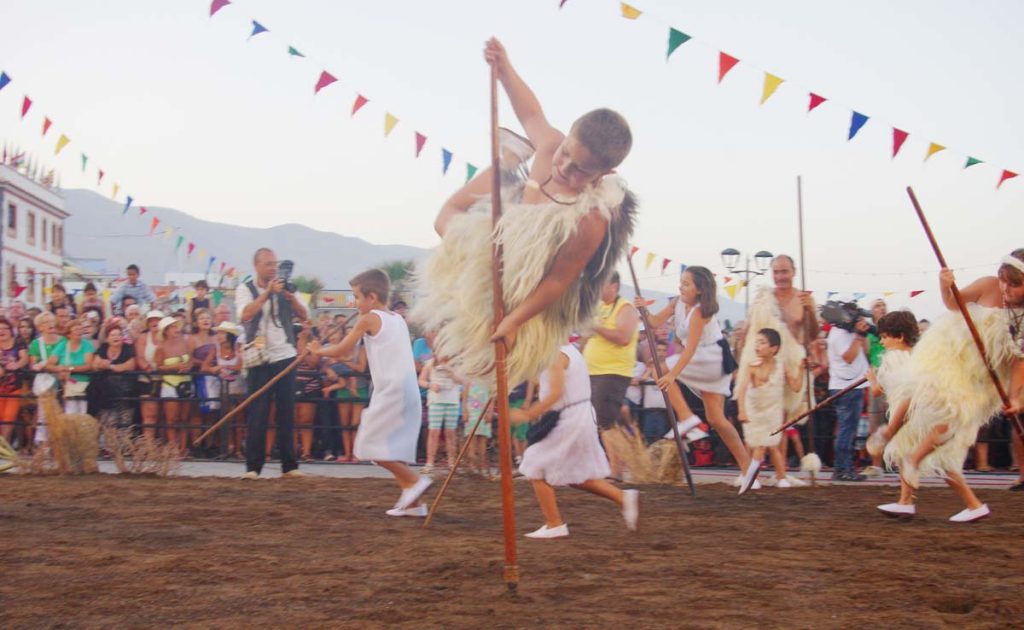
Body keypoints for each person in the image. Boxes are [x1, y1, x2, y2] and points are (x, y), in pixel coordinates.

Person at [415, 37, 636, 389]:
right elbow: (531, 113)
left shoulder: (591, 218)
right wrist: (503, 70)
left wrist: (515, 321)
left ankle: (510, 164)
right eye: (565, 154)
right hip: (508, 227)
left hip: (529, 272)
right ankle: (508, 162)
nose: (565, 168)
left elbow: (557, 281)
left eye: (581, 170)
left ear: (603, 176)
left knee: (491, 353)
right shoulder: (550, 147)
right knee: (445, 217)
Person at [882, 254, 1024, 521]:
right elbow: (952, 303)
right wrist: (944, 285)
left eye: (1014, 285)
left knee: (946, 427)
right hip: (951, 359)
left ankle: (924, 478)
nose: (1006, 289)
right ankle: (907, 499)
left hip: (978, 383)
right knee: (917, 426)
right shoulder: (988, 285)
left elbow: (1018, 362)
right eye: (1004, 281)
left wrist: (1015, 397)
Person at [310, 269, 430, 516]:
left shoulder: (369, 318)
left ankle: (415, 482)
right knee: (392, 447)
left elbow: (344, 349)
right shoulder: (397, 318)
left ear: (372, 297)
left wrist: (318, 350)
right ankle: (413, 504)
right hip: (407, 389)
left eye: (356, 297)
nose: (354, 303)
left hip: (392, 390)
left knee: (368, 445)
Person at [638, 267, 757, 494]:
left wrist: (672, 374)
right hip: (705, 359)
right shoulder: (676, 304)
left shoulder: (702, 312)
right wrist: (644, 309)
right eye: (681, 282)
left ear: (700, 289)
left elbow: (690, 349)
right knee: (716, 418)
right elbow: (653, 323)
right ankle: (748, 467)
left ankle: (687, 418)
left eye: (686, 284)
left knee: (659, 371)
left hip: (711, 357)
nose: (680, 287)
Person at [511, 342, 639, 539]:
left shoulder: (556, 354)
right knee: (574, 473)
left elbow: (555, 393)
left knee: (535, 465)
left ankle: (554, 524)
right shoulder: (567, 351)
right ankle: (623, 498)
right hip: (576, 415)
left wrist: (528, 415)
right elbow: (543, 382)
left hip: (569, 418)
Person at [236, 248, 309, 479]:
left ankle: (289, 465)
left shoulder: (285, 288)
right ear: (256, 266)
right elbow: (245, 315)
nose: (272, 268)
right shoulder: (245, 289)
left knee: (287, 411)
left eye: (274, 264)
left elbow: (304, 315)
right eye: (268, 264)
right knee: (258, 412)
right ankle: (253, 468)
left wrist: (291, 297)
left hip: (285, 353)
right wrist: (267, 293)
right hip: (259, 356)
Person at [736, 256, 818, 457]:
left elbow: (812, 335)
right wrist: (741, 360)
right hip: (762, 364)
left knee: (781, 418)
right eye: (776, 272)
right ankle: (749, 468)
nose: (780, 277)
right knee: (756, 414)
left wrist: (810, 311)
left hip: (789, 363)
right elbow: (748, 333)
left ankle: (781, 473)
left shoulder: (803, 299)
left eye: (784, 271)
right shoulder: (763, 299)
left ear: (794, 272)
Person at [857, 311, 917, 516]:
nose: (881, 341)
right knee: (912, 457)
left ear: (899, 336)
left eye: (884, 337)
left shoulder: (891, 359)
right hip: (917, 412)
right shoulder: (916, 355)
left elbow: (877, 391)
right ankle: (905, 500)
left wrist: (872, 378)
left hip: (902, 414)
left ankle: (905, 501)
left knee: (906, 456)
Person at [737, 328, 803, 488]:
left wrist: (801, 369)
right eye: (757, 342)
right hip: (754, 409)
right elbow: (742, 389)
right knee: (755, 444)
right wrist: (742, 411)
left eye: (762, 342)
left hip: (773, 411)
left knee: (772, 446)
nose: (758, 346)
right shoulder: (752, 366)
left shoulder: (781, 366)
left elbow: (795, 387)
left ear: (774, 348)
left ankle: (781, 477)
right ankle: (752, 477)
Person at [826, 307, 872, 482]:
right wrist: (859, 336)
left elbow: (864, 351)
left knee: (849, 429)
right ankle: (842, 469)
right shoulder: (839, 334)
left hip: (851, 385)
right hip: (846, 387)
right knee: (847, 429)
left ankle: (845, 467)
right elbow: (849, 357)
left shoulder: (845, 332)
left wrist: (862, 335)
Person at [418, 355, 463, 475]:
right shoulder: (430, 363)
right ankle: (430, 463)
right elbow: (421, 380)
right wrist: (430, 385)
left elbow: (462, 380)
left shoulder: (456, 362)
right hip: (436, 401)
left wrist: (450, 370)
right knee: (434, 432)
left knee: (450, 432)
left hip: (452, 401)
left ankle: (451, 463)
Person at [28, 312, 66, 447]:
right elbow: (34, 364)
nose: (50, 324)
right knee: (44, 413)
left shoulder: (63, 341)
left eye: (51, 321)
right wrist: (43, 366)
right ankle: (43, 446)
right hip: (45, 383)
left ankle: (60, 443)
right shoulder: (36, 344)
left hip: (63, 381)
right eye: (46, 322)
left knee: (63, 412)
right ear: (39, 327)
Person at [155, 316, 192, 453]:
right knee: (171, 418)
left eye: (176, 326)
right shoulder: (161, 347)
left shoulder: (185, 343)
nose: (176, 329)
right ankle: (173, 447)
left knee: (184, 417)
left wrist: (188, 366)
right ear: (165, 331)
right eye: (172, 327)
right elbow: (158, 366)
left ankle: (183, 447)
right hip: (170, 384)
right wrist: (174, 366)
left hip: (186, 382)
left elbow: (191, 360)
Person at [91, 321, 137, 430]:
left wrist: (110, 366)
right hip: (105, 393)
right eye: (113, 335)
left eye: (119, 334)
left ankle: (124, 446)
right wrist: (116, 367)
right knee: (108, 423)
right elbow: (95, 364)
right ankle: (109, 445)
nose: (116, 337)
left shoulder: (127, 348)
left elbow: (130, 365)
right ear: (107, 338)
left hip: (125, 391)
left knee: (125, 422)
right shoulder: (103, 348)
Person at [862, 299, 889, 476]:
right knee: (875, 424)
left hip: (894, 380)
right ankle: (876, 464)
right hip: (877, 379)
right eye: (877, 306)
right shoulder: (868, 334)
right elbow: (864, 354)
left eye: (883, 305)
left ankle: (899, 463)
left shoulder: (893, 331)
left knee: (897, 422)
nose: (882, 308)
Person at [134, 310, 164, 442]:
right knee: (149, 415)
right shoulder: (143, 338)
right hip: (147, 379)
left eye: (157, 320)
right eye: (151, 320)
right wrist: (148, 368)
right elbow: (140, 358)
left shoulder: (167, 338)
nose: (154, 323)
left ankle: (164, 448)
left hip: (166, 379)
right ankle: (148, 446)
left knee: (164, 416)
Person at [57, 318, 95, 415]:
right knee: (70, 413)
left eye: (80, 329)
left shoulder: (87, 345)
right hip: (68, 385)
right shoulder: (62, 345)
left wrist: (70, 368)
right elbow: (50, 364)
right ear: (69, 334)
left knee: (83, 413)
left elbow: (89, 365)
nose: (79, 332)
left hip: (84, 384)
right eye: (76, 330)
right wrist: (60, 369)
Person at [0, 318, 28, 444]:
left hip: (14, 386)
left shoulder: (18, 342)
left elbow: (24, 358)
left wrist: (16, 365)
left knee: (9, 417)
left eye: (5, 328)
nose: (2, 331)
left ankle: (4, 446)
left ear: (11, 330)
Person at [462, 378, 494, 477]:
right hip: (472, 414)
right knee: (471, 441)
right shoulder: (469, 380)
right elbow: (464, 398)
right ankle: (473, 466)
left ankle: (482, 467)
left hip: (484, 413)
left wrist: (490, 412)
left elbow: (491, 398)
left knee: (482, 444)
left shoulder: (489, 381)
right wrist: (465, 412)